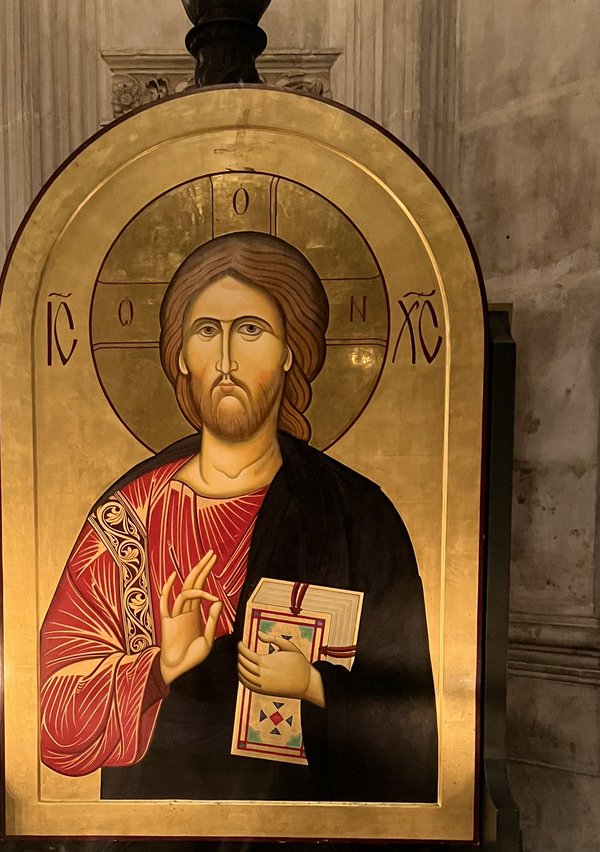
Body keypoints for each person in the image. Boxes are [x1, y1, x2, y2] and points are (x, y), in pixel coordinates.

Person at [40, 231, 437, 802]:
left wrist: (314, 686)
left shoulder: (357, 515)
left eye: (250, 330)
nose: (226, 359)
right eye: (207, 332)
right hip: (155, 835)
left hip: (306, 834)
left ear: (289, 351)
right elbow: (55, 716)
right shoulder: (129, 517)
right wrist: (159, 667)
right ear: (181, 354)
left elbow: (413, 712)